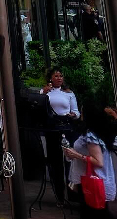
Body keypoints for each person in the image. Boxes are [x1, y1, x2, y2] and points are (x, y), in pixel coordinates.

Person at [64, 103, 116, 218]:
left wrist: (77, 155)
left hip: (92, 181)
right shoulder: (99, 132)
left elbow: (98, 162)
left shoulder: (90, 135)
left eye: (82, 112)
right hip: (96, 180)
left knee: (92, 212)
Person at [42, 67, 79, 205]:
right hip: (52, 127)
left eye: (61, 76)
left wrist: (74, 115)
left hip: (67, 126)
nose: (59, 78)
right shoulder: (46, 92)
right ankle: (59, 195)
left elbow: (76, 111)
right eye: (56, 76)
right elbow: (40, 108)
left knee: (69, 160)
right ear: (50, 78)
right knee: (55, 161)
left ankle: (72, 194)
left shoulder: (68, 93)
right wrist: (43, 93)